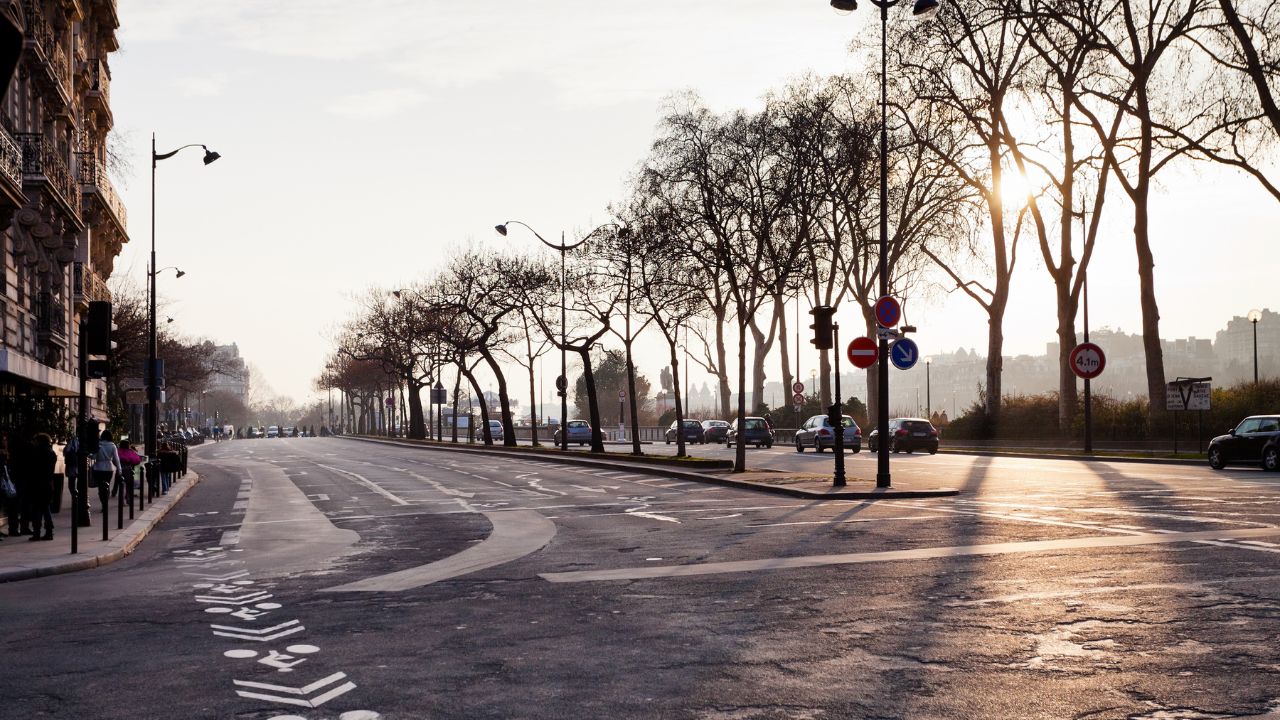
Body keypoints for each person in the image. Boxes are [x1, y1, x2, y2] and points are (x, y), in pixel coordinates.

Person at [26, 433, 55, 541]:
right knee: (46, 509)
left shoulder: (36, 452)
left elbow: (32, 469)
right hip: (48, 484)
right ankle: (49, 531)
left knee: (37, 509)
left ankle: (37, 532)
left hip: (37, 484)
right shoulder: (51, 453)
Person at [91, 429, 122, 515]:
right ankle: (105, 504)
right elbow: (116, 459)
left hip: (98, 468)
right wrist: (119, 469)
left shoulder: (98, 445)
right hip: (109, 468)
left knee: (100, 488)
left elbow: (93, 457)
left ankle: (103, 504)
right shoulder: (112, 446)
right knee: (107, 486)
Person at [116, 441, 143, 506]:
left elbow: (114, 459)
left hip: (120, 469)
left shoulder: (118, 451)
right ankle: (128, 499)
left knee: (121, 486)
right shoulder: (130, 451)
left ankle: (122, 501)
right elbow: (137, 460)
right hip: (128, 469)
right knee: (128, 486)